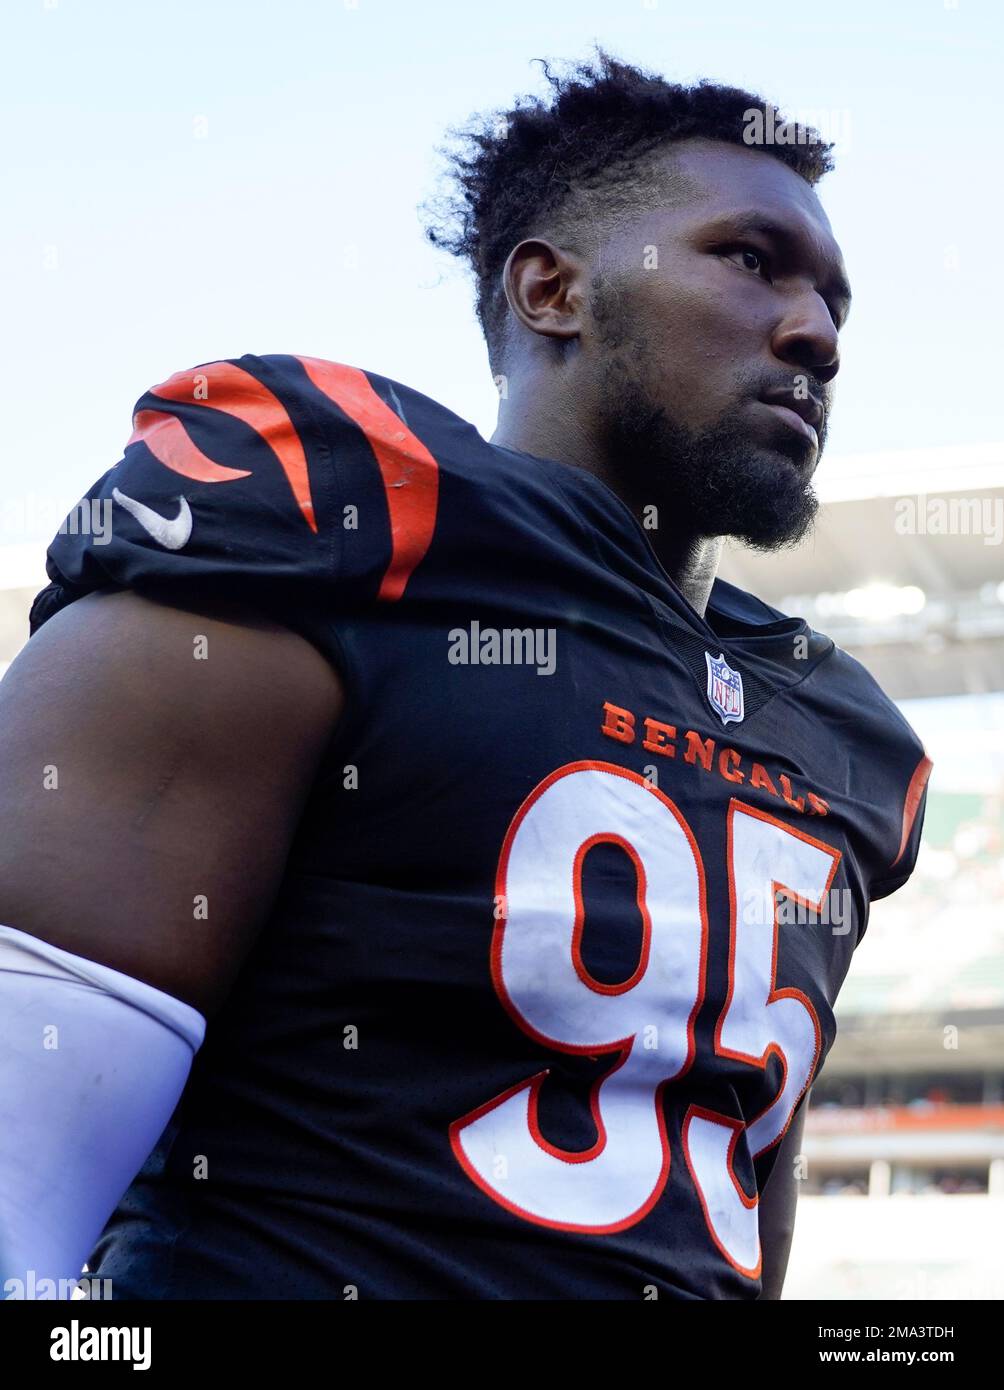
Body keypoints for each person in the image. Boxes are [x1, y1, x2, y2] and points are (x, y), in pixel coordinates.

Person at [0, 52, 931, 1300]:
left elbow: (728, 1207)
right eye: (750, 259)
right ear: (552, 288)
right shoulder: (335, 531)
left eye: (834, 301)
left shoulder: (838, 733)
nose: (812, 333)